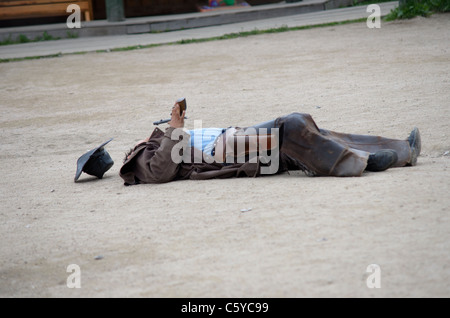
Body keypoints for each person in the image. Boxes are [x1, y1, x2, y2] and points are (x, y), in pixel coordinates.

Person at [119, 99, 421, 185]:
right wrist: (173, 128)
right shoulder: (139, 158)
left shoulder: (159, 137)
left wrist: (170, 130)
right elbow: (160, 172)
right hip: (225, 150)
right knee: (290, 124)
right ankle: (358, 162)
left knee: (305, 129)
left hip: (233, 139)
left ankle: (397, 150)